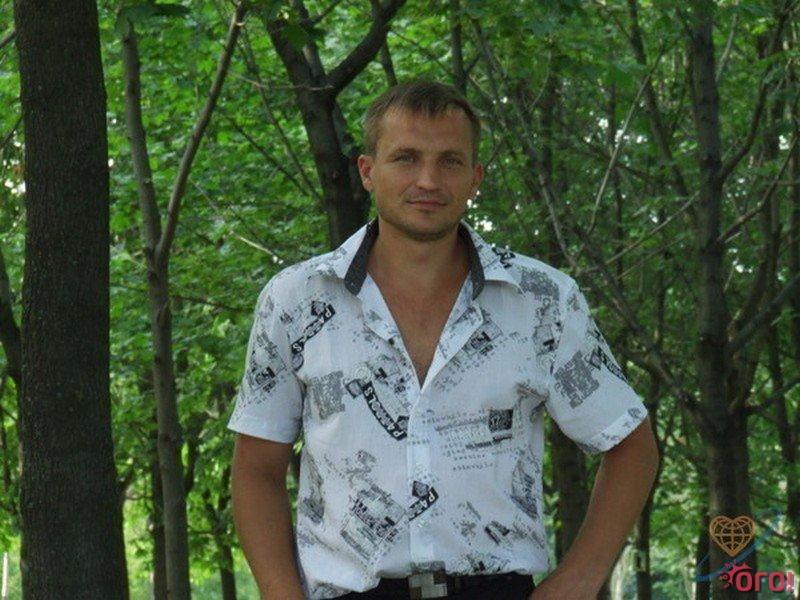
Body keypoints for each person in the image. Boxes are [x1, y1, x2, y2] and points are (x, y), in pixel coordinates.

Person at [227, 79, 659, 600]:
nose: (428, 180)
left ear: (475, 177)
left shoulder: (541, 301)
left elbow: (631, 446)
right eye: (405, 158)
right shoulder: (296, 300)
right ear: (367, 171)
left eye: (450, 161)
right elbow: (256, 470)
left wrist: (577, 582)